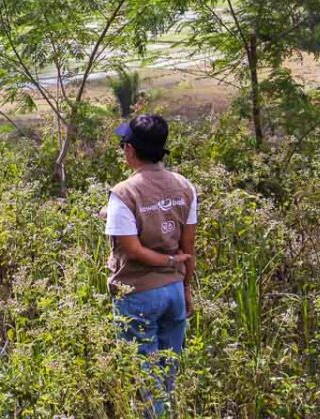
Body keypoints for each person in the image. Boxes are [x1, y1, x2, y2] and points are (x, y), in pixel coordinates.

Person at [106, 114, 197, 417]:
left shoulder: (124, 193)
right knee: (167, 380)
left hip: (138, 295)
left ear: (130, 150)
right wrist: (185, 288)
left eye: (123, 145)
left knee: (144, 381)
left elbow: (131, 249)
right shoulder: (185, 187)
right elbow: (188, 248)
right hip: (173, 292)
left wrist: (167, 261)